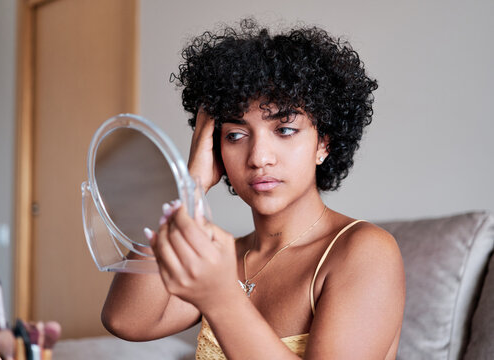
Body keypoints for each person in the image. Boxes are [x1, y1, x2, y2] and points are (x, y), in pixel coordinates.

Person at [101, 19, 405, 359]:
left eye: (285, 130)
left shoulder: (364, 251)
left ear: (323, 143)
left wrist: (220, 299)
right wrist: (190, 185)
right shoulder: (224, 257)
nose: (259, 157)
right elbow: (126, 319)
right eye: (236, 135)